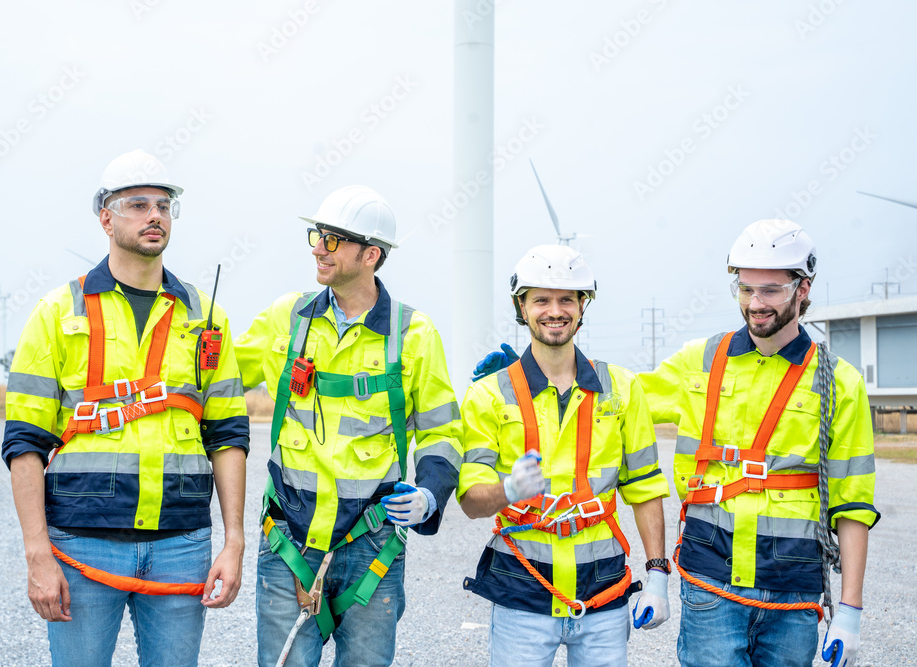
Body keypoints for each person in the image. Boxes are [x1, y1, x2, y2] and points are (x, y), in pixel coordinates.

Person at [2, 149, 249, 667]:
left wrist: (234, 541)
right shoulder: (56, 313)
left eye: (163, 204)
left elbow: (227, 435)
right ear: (106, 217)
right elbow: (24, 441)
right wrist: (37, 553)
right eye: (137, 204)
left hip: (182, 543)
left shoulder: (206, 317)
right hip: (82, 547)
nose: (154, 215)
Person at [235, 185, 462, 666]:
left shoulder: (413, 335)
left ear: (371, 254)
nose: (318, 247)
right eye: (318, 235)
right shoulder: (288, 318)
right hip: (289, 538)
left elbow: (443, 433)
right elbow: (220, 375)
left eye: (334, 239)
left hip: (372, 545)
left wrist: (429, 497)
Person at [638, 219, 878, 667]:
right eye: (745, 289)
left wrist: (850, 611)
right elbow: (619, 400)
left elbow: (853, 505)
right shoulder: (702, 361)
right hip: (711, 579)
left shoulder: (839, 383)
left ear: (803, 289)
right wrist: (537, 370)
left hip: (792, 588)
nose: (755, 304)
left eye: (770, 290)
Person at [459, 245, 672, 667]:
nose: (554, 311)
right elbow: (469, 502)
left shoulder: (622, 389)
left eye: (566, 300)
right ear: (521, 306)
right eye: (541, 299)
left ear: (581, 306)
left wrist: (659, 576)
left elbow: (646, 487)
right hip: (522, 591)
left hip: (604, 592)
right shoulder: (487, 394)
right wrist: (508, 489)